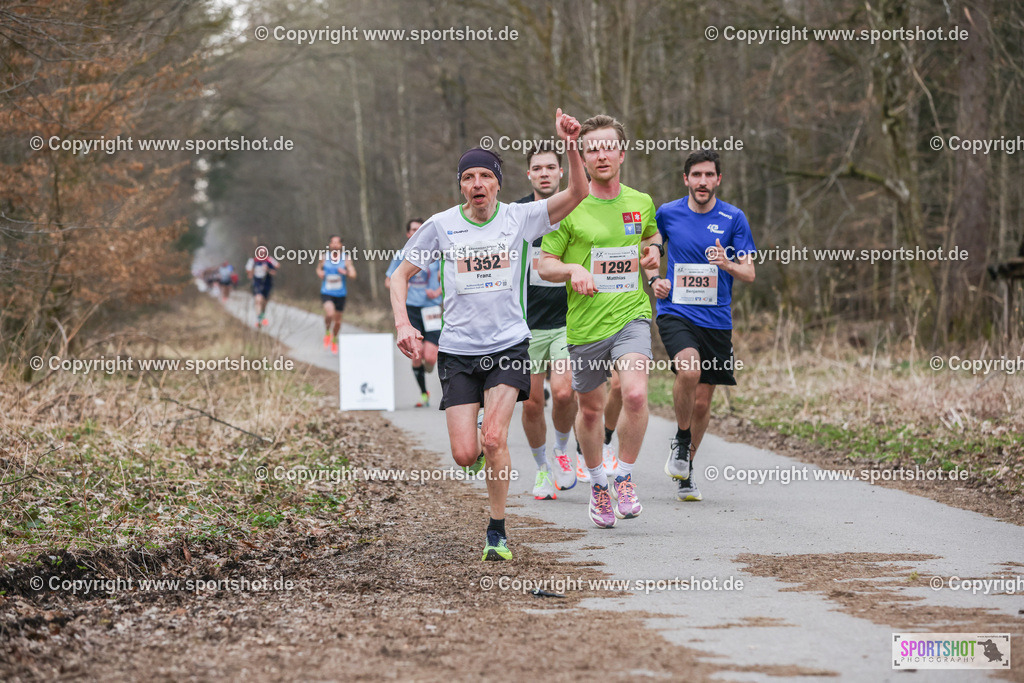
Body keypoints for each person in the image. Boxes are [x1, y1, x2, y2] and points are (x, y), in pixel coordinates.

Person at [390, 108, 588, 561]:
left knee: (495, 439)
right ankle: (480, 444)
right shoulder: (441, 225)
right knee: (465, 454)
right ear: (460, 185)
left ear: (498, 183)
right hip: (458, 351)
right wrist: (405, 323)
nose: (477, 184)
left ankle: (496, 530)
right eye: (469, 177)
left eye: (485, 176)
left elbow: (578, 191)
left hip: (508, 344)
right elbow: (398, 276)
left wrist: (570, 144)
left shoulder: (520, 218)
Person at [537, 114, 663, 529]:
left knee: (635, 396)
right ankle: (596, 485)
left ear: (622, 154)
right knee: (589, 411)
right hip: (586, 324)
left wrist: (652, 253)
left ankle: (623, 476)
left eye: (608, 146)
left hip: (631, 314)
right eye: (592, 148)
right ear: (583, 158)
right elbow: (544, 263)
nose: (601, 154)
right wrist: (573, 271)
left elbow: (649, 237)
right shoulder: (568, 208)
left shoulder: (640, 201)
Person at [652, 150, 756, 501]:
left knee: (702, 402)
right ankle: (681, 441)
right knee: (689, 370)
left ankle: (686, 469)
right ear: (686, 179)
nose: (702, 181)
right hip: (676, 312)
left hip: (716, 319)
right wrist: (654, 279)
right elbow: (647, 251)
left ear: (718, 180)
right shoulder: (666, 213)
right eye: (696, 175)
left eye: (709, 175)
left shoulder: (734, 218)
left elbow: (749, 272)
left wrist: (727, 263)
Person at [516, 142, 577, 499]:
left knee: (566, 391)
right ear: (529, 174)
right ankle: (542, 469)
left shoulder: (575, 208)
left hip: (569, 320)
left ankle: (561, 451)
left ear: (560, 172)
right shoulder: (517, 213)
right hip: (527, 325)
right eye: (537, 168)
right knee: (532, 402)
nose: (543, 173)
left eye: (549, 167)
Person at [386, 219, 442, 407]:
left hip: (432, 308)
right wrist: (403, 284)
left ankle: (428, 368)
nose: (416, 233)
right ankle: (424, 393)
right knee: (416, 354)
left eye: (420, 230)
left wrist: (438, 291)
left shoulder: (435, 252)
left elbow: (449, 277)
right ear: (408, 234)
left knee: (431, 357)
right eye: (413, 230)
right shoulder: (401, 255)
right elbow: (390, 281)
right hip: (411, 310)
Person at [317, 235, 357, 355]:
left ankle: (334, 338)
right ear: (329, 245)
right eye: (332, 242)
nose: (334, 245)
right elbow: (318, 269)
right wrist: (320, 273)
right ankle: (327, 332)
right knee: (330, 313)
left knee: (338, 321)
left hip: (340, 294)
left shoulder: (346, 259)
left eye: (337, 243)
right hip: (327, 292)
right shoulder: (324, 257)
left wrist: (346, 272)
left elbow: (353, 275)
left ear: (341, 246)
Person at [245, 251, 279, 327]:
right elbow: (249, 274)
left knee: (264, 302)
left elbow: (275, 270)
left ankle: (262, 316)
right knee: (258, 300)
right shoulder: (253, 261)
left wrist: (267, 269)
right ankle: (259, 319)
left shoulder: (269, 260)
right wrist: (252, 271)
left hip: (267, 284)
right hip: (257, 284)